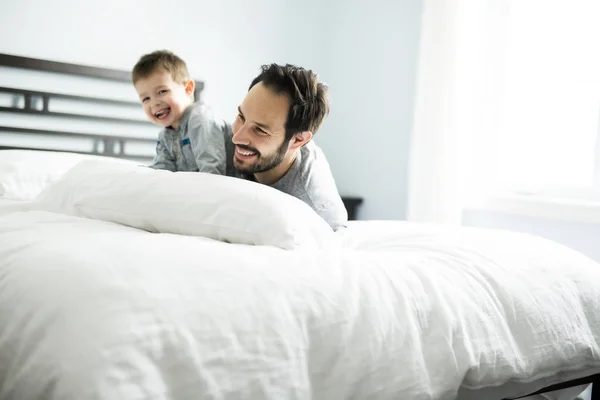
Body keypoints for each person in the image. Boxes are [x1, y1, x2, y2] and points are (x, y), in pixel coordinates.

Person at [225, 63, 348, 231]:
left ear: (298, 140)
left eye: (260, 130)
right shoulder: (219, 138)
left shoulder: (315, 209)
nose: (237, 136)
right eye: (241, 116)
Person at [132, 50, 228, 173]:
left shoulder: (200, 120)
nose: (154, 103)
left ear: (188, 89)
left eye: (162, 91)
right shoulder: (165, 136)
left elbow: (212, 169)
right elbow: (162, 172)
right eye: (146, 99)